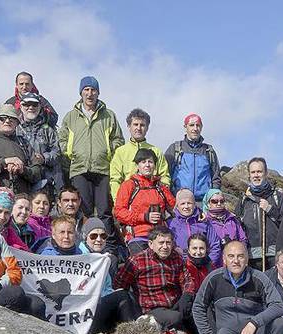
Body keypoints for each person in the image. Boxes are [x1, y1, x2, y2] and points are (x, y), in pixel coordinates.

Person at [192, 241, 283, 334]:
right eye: (231, 256)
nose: (235, 261)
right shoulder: (214, 278)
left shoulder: (259, 278)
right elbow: (198, 307)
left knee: (279, 323)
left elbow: (278, 305)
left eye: (240, 256)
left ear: (247, 259)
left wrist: (254, 322)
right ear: (224, 259)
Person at [39, 217, 140, 333]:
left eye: (70, 232)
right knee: (122, 296)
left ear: (75, 235)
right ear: (53, 234)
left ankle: (138, 332)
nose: (66, 236)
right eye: (62, 232)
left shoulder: (84, 255)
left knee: (128, 295)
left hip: (87, 309)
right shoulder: (45, 256)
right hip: (67, 312)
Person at [59, 76, 124, 240]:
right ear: (81, 92)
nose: (89, 93)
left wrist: (108, 151)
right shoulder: (71, 116)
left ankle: (107, 244)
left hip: (103, 168)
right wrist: (71, 152)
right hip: (79, 169)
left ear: (98, 93)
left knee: (104, 210)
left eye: (93, 90)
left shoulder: (109, 115)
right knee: (83, 209)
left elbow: (118, 139)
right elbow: (62, 139)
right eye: (86, 90)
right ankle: (82, 243)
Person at [113, 226, 196, 331]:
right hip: (152, 308)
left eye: (168, 243)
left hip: (176, 304)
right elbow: (119, 284)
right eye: (161, 243)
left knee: (199, 311)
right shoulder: (137, 261)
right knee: (176, 318)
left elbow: (187, 280)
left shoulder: (176, 257)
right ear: (151, 244)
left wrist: (186, 295)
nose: (165, 247)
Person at [114, 148, 175, 255]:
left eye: (150, 162)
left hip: (160, 238)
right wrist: (144, 217)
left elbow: (175, 207)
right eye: (143, 162)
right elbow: (119, 212)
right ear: (137, 165)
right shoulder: (129, 185)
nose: (147, 165)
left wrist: (198, 213)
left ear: (155, 166)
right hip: (138, 237)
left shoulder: (160, 187)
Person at [235, 157, 283, 271]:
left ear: (266, 173)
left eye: (259, 171)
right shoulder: (244, 200)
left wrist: (270, 209)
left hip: (274, 255)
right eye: (253, 172)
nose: (256, 175)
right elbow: (237, 225)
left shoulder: (277, 197)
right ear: (249, 175)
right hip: (252, 256)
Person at [0, 104, 41, 194]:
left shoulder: (25, 143)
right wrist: (4, 162)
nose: (7, 121)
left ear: (17, 123)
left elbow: (37, 172)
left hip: (22, 200)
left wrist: (22, 170)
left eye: (12, 118)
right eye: (2, 118)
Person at [109, 108, 170, 200]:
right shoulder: (120, 152)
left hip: (152, 201)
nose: (138, 128)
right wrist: (119, 202)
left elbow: (164, 176)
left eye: (142, 125)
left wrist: (161, 197)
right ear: (129, 127)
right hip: (128, 201)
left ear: (147, 127)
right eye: (135, 124)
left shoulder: (156, 151)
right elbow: (115, 180)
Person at [164, 113, 221, 201]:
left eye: (198, 125)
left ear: (201, 127)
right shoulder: (175, 148)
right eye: (191, 125)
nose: (195, 129)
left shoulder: (209, 151)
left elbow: (216, 178)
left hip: (203, 203)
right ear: (185, 127)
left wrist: (213, 200)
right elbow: (165, 175)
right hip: (180, 202)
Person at [17, 92, 62, 197]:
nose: (31, 107)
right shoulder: (15, 128)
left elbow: (57, 152)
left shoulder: (48, 130)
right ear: (21, 106)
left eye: (34, 104)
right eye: (27, 104)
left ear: (40, 107)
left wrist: (44, 158)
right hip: (22, 177)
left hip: (44, 180)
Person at [168, 189, 222, 268]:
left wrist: (208, 264)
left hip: (204, 266)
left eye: (189, 203)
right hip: (180, 267)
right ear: (177, 205)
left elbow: (215, 245)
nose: (186, 207)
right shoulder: (170, 223)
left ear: (194, 205)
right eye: (182, 203)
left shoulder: (203, 222)